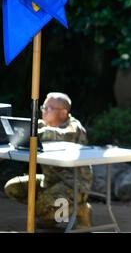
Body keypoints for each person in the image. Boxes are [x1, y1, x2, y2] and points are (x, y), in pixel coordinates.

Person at [4, 92, 93, 229]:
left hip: (74, 184)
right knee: (13, 188)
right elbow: (30, 129)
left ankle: (80, 210)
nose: (44, 111)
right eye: (43, 107)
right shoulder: (42, 125)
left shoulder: (74, 127)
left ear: (63, 113)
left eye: (49, 108)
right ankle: (49, 214)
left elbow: (61, 135)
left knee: (39, 210)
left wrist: (31, 134)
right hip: (50, 180)